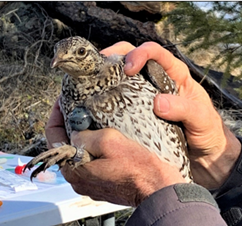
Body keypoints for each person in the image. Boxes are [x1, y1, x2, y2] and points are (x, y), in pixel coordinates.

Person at [45, 41, 242, 225]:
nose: (64, 58)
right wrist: (222, 162)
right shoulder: (70, 95)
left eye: (80, 53)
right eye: (58, 54)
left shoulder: (127, 71)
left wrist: (162, 193)